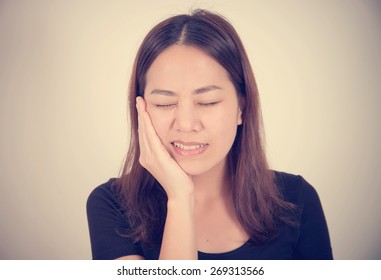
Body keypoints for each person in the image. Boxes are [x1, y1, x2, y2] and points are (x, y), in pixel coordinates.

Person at [86, 9, 333, 260]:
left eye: (207, 102)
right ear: (141, 108)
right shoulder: (112, 205)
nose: (185, 124)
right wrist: (181, 198)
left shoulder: (296, 200)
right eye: (164, 103)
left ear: (241, 108)